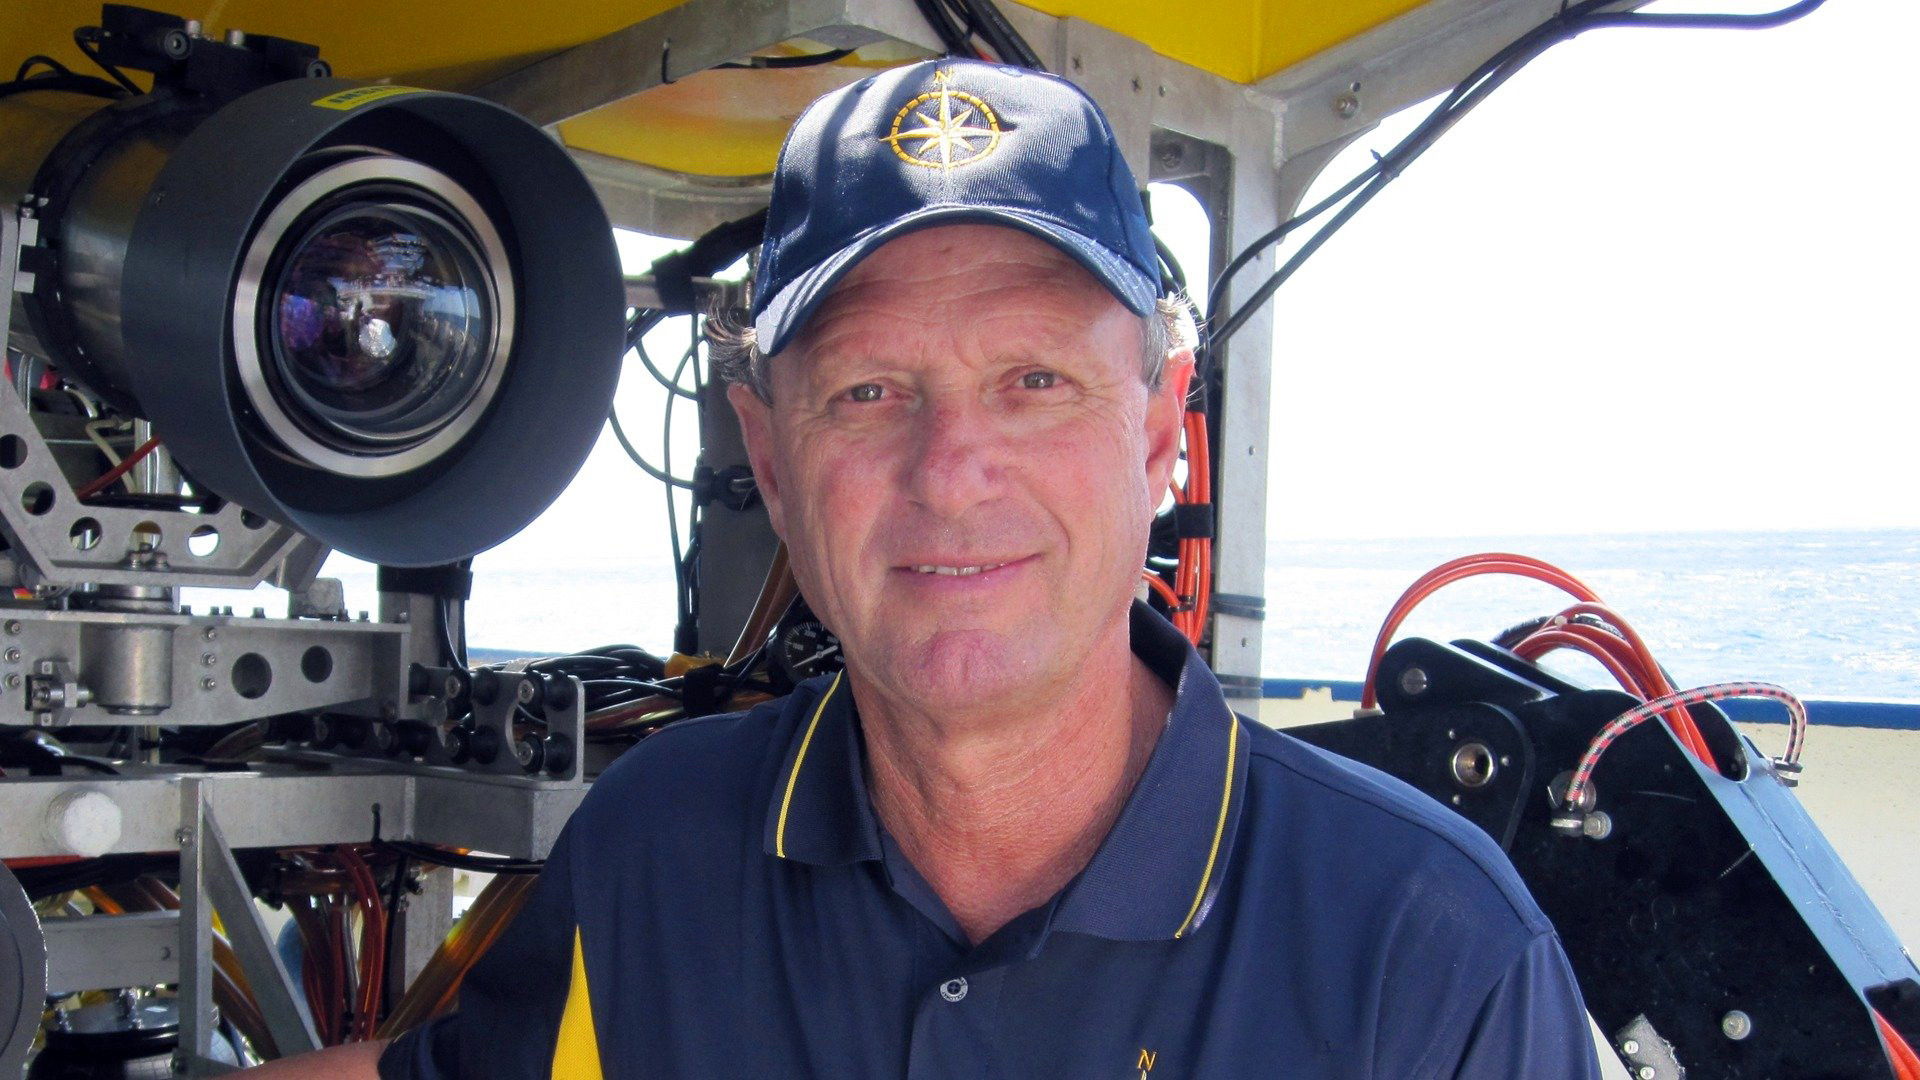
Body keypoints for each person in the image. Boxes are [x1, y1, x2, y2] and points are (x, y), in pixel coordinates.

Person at [257, 58, 1601, 1079]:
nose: (952, 470)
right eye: (868, 392)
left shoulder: (1431, 954)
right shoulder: (655, 844)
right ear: (771, 460)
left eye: (1034, 381)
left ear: (1156, 435)